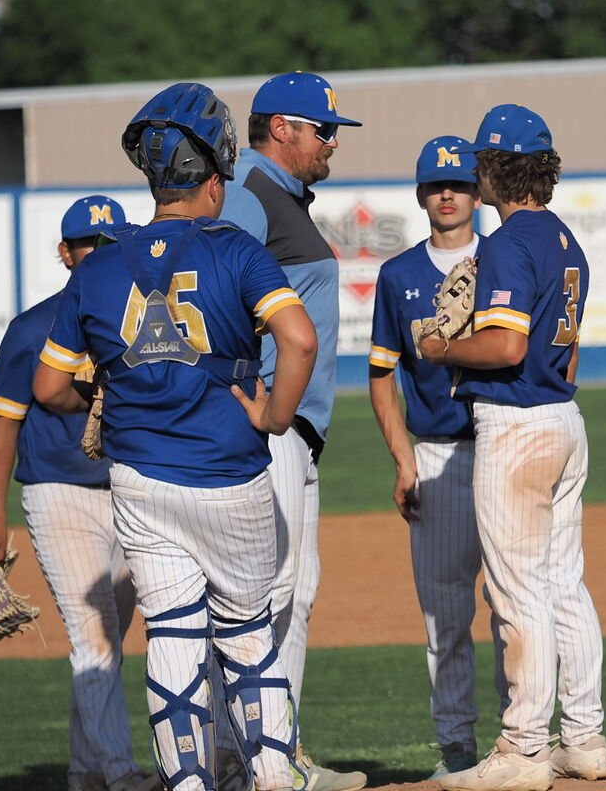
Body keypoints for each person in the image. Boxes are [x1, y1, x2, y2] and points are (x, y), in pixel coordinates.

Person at [34, 82, 318, 791]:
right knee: (247, 631)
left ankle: (187, 784)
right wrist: (275, 417)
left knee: (172, 633)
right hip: (227, 471)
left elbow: (48, 387)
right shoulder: (238, 251)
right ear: (215, 177)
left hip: (138, 476)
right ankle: (274, 777)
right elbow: (300, 341)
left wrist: (103, 400)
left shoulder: (99, 266)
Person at [419, 104, 606, 791]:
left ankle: (524, 749)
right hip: (563, 417)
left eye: (481, 162)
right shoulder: (566, 240)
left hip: (518, 424)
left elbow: (505, 347)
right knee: (563, 585)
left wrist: (441, 348)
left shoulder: (507, 242)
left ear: (496, 169)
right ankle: (583, 739)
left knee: (517, 588)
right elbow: (569, 353)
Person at [0, 194, 161, 791]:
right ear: (65, 252)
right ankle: (120, 774)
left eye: (110, 244)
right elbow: (4, 424)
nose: (99, 252)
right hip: (58, 494)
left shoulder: (137, 319)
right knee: (94, 637)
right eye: (88, 245)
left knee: (108, 641)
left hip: (127, 490)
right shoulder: (31, 328)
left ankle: (85, 773)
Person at [221, 72, 367, 791]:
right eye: (323, 129)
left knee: (295, 590)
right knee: (267, 592)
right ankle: (244, 760)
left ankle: (277, 753)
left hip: (296, 429)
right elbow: (217, 293)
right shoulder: (247, 192)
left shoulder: (281, 196)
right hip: (267, 425)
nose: (332, 142)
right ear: (281, 128)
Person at [368, 136, 493, 780]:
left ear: (478, 193)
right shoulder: (398, 276)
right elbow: (381, 374)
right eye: (437, 185)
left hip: (503, 446)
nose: (449, 194)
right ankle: (456, 744)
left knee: (518, 605)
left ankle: (524, 736)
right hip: (438, 453)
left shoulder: (505, 260)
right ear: (421, 196)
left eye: (460, 184)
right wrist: (402, 458)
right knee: (445, 612)